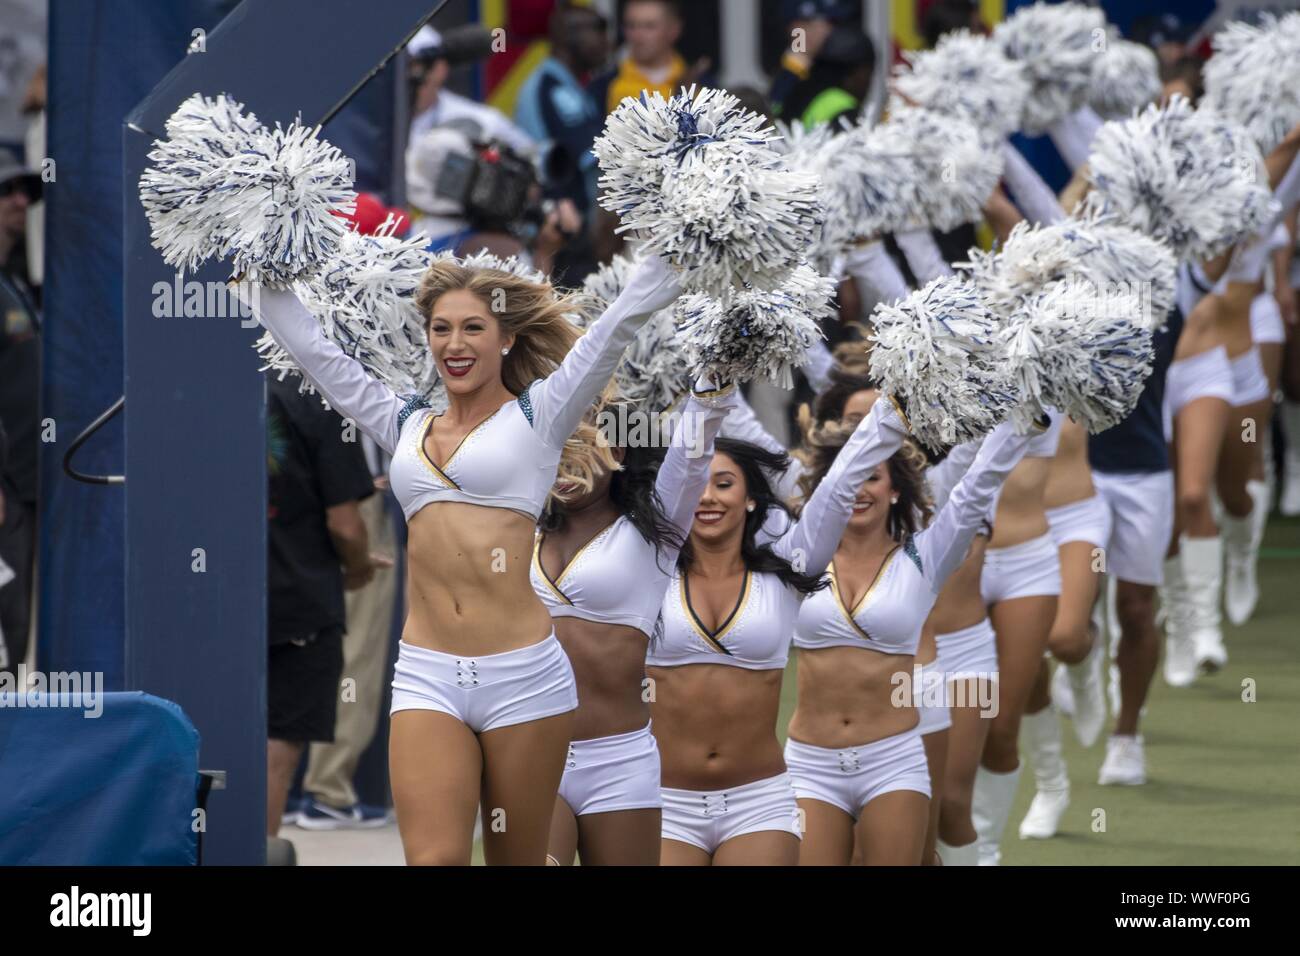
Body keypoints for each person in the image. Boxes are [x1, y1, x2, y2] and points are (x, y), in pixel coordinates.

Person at [248, 251, 684, 864]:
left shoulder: (541, 415)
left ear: (507, 338)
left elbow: (608, 337)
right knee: (434, 860)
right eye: (441, 328)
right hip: (428, 673)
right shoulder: (403, 423)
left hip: (524, 678)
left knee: (517, 858)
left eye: (473, 328)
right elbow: (322, 359)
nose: (454, 343)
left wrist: (665, 263)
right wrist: (258, 276)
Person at [790, 397, 1046, 866]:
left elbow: (975, 488)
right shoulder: (797, 555)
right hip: (811, 764)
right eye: (850, 480)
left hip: (892, 760)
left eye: (873, 478)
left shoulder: (925, 556)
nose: (859, 491)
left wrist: (1024, 416)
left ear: (894, 490)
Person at [541, 380, 735, 865]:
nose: (567, 468)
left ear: (619, 449)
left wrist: (714, 381)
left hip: (619, 760)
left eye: (583, 450)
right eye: (558, 451)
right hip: (531, 750)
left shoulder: (654, 530)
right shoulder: (518, 526)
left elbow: (693, 451)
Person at [265, 375, 378, 838]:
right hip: (299, 599)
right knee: (279, 742)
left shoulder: (204, 382)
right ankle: (260, 851)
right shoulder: (317, 395)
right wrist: (359, 567)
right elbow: (346, 525)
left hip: (214, 597)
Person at [0, 148, 40, 676]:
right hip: (4, 491)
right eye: (5, 191)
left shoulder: (14, 282)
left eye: (23, 192)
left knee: (14, 633)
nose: (18, 202)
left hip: (21, 490)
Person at [407, 25, 535, 155]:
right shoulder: (386, 126)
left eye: (413, 67)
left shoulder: (483, 122)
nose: (405, 80)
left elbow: (532, 160)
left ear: (440, 69)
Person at [589, 0, 706, 116]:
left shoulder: (700, 83)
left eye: (649, 26)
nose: (637, 36)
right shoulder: (603, 86)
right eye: (631, 26)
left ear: (674, 29)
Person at [781, 24, 875, 129]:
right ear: (857, 72)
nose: (869, 83)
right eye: (869, 74)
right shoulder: (843, 108)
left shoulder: (796, 89)